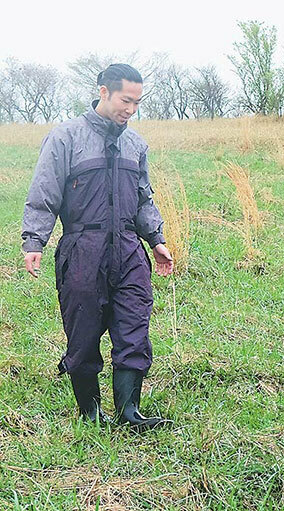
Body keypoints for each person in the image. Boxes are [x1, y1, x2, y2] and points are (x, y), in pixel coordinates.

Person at [22, 63, 173, 429]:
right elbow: (44, 193)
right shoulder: (66, 138)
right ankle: (90, 414)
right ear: (103, 91)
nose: (131, 110)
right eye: (126, 100)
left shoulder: (136, 144)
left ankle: (128, 412)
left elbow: (143, 200)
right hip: (82, 249)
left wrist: (156, 239)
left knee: (134, 328)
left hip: (128, 249)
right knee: (84, 332)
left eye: (137, 103)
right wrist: (34, 240)